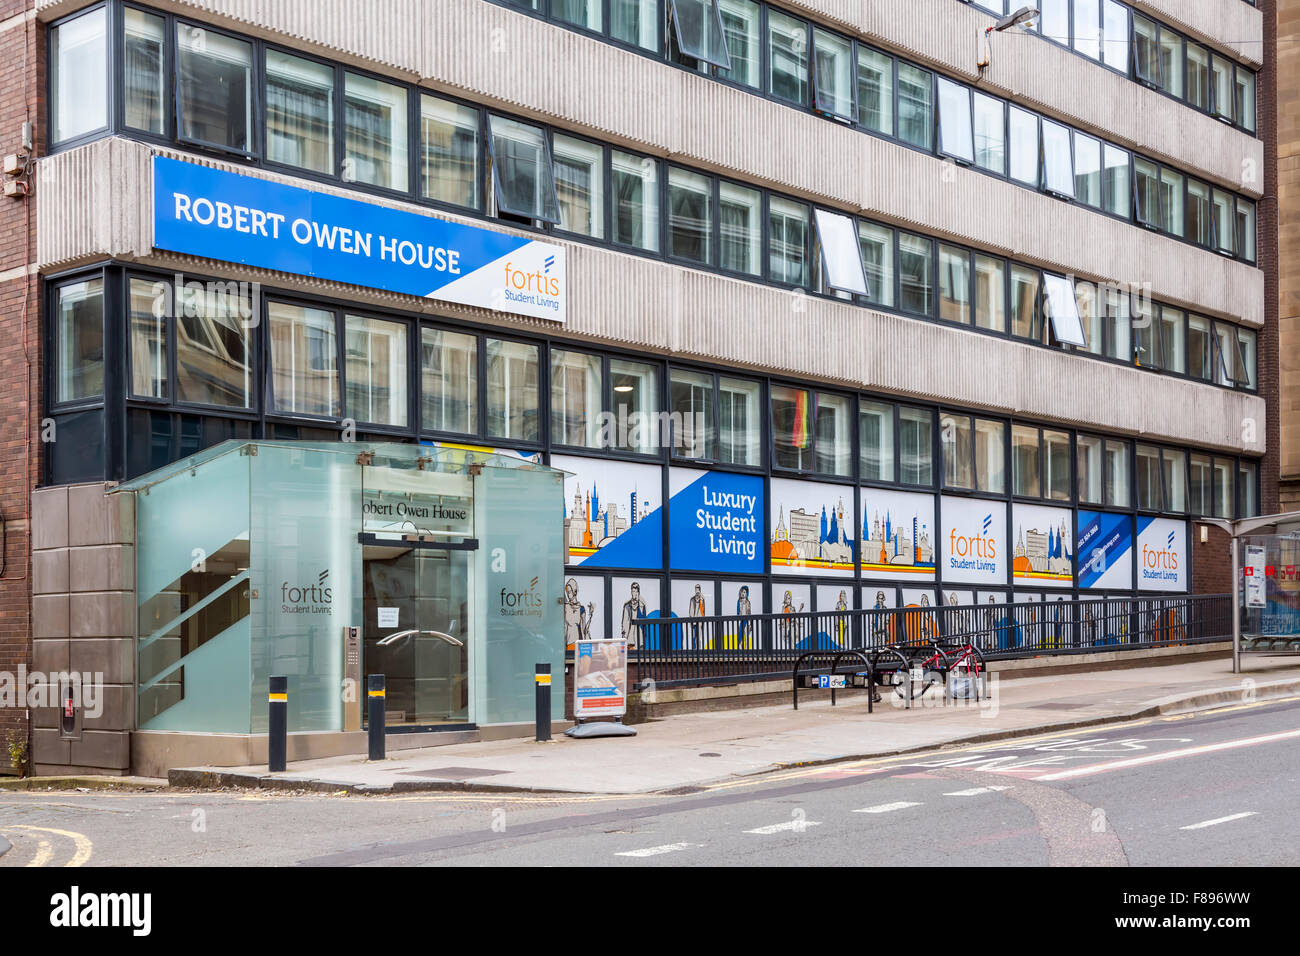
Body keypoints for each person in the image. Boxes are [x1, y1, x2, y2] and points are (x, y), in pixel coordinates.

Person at [563, 577, 593, 651]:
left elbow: (584, 629)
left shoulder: (581, 608)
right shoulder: (565, 607)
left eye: (569, 592)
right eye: (567, 592)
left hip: (578, 643)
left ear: (575, 592)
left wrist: (590, 615)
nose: (568, 594)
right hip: (568, 643)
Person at [620, 582, 648, 649]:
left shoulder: (641, 605)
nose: (634, 593)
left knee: (640, 655)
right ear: (631, 592)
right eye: (633, 591)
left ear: (638, 593)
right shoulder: (627, 605)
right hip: (630, 638)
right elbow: (624, 621)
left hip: (640, 637)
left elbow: (644, 620)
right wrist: (624, 636)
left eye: (636, 591)